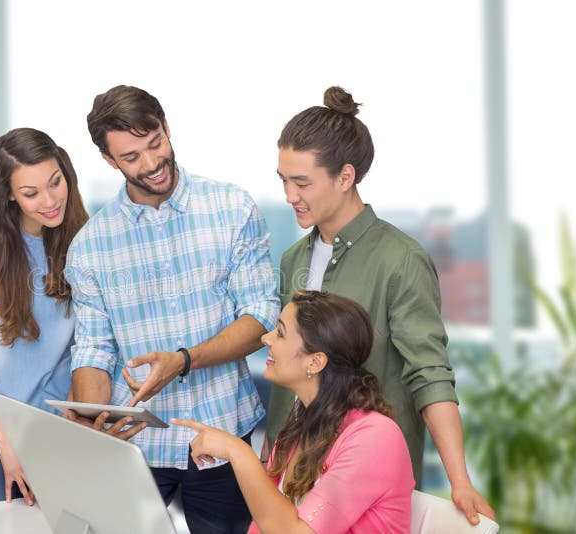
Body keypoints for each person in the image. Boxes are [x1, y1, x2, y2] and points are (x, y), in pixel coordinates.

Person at [263, 86, 495, 524]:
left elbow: (429, 373)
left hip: (363, 479)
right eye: (283, 179)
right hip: (294, 469)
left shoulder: (400, 259)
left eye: (302, 182)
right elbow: (291, 365)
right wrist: (270, 452)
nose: (290, 194)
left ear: (345, 176)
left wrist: (459, 481)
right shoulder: (294, 259)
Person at [65, 85, 280, 533]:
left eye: (155, 143)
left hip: (221, 428)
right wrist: (90, 418)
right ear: (109, 161)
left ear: (166, 128)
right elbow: (94, 349)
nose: (150, 164)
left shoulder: (231, 208)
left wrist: (183, 361)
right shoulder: (89, 247)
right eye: (131, 157)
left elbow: (260, 315)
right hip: (135, 444)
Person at [175, 290, 415, 533]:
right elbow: (264, 523)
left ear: (315, 362)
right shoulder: (300, 428)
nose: (266, 339)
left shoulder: (375, 438)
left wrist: (238, 452)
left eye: (280, 333)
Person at [0, 128, 95, 508]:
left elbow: (89, 342)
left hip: (57, 426)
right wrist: (6, 444)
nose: (50, 201)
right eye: (31, 194)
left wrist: (66, 416)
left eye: (55, 183)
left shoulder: (86, 240)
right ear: (9, 195)